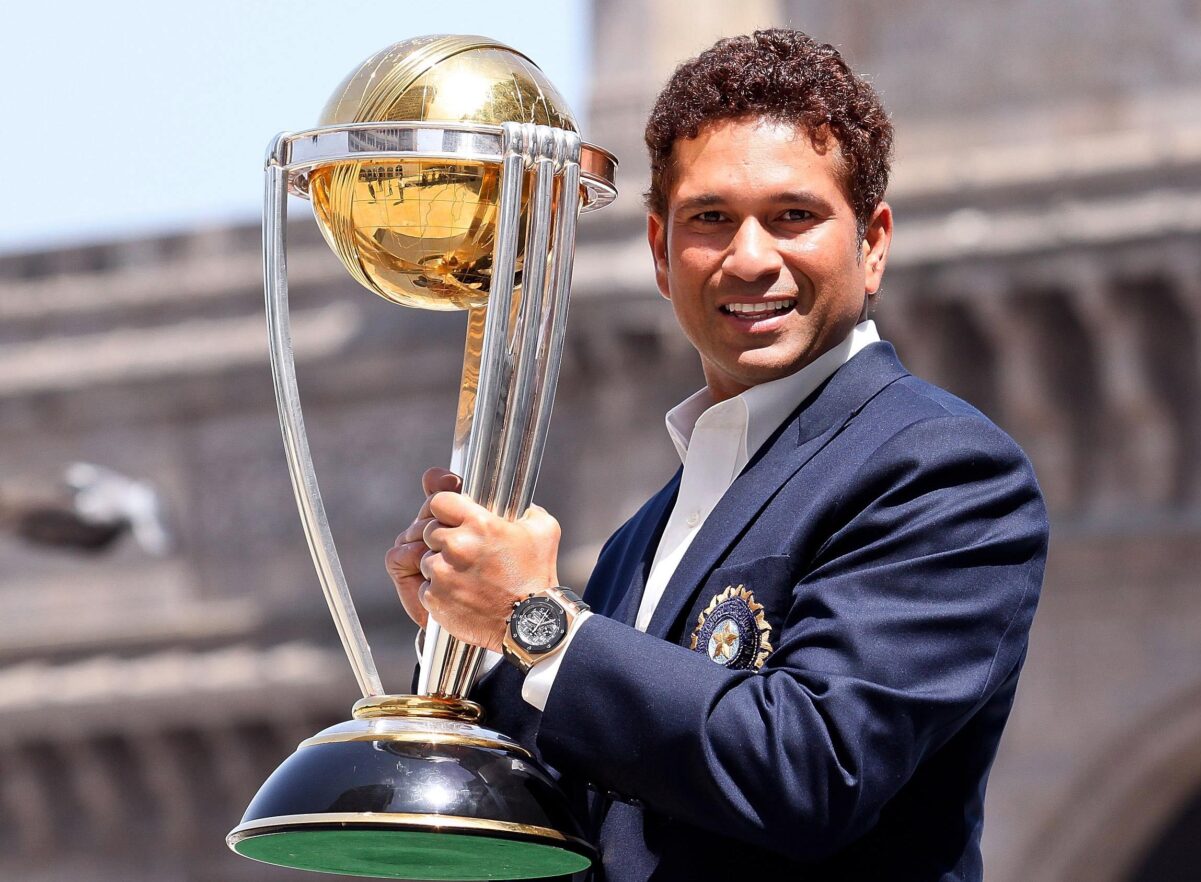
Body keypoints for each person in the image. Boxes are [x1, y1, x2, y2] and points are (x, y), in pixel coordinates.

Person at [385, 28, 1048, 881]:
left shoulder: (943, 472)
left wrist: (534, 619)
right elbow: (590, 821)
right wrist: (475, 640)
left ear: (873, 243)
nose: (749, 259)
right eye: (711, 220)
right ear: (661, 253)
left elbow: (814, 769)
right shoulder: (643, 539)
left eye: (793, 216)